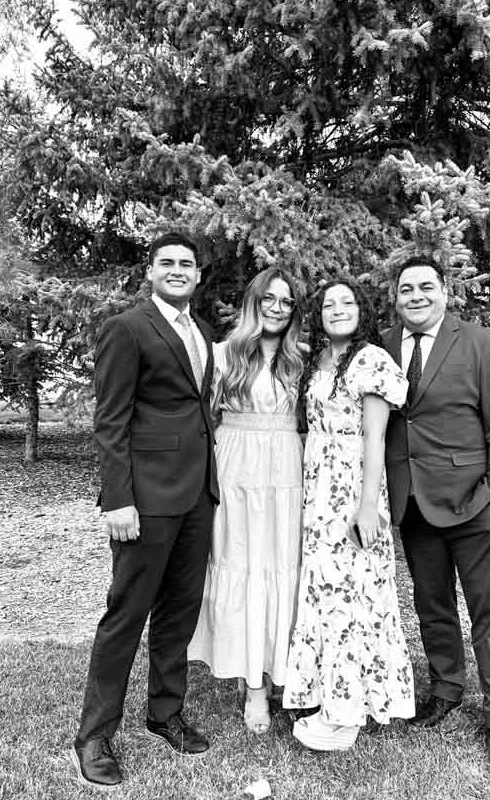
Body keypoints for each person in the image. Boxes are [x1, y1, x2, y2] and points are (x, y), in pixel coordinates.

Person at [71, 233, 219, 790]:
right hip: (146, 499)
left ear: (198, 275)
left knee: (179, 612)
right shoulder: (126, 328)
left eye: (187, 264)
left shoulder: (201, 332)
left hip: (198, 496)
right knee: (126, 613)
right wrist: (118, 499)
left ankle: (164, 712)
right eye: (167, 263)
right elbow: (110, 420)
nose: (178, 270)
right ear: (150, 271)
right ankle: (94, 735)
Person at [382, 259, 490, 775]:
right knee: (433, 605)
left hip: (474, 504)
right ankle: (445, 688)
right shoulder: (379, 346)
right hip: (413, 505)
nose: (415, 296)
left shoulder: (482, 344)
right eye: (406, 289)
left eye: (426, 287)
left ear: (445, 292)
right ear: (395, 298)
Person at [283, 277, 416, 751]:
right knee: (325, 593)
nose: (338, 309)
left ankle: (346, 716)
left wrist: (365, 507)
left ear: (362, 311)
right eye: (328, 304)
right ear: (318, 315)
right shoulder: (318, 361)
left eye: (348, 302)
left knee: (352, 596)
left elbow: (374, 440)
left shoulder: (371, 361)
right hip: (318, 492)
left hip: (353, 491)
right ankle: (327, 699)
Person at [188, 267, 305, 734]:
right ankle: (253, 685)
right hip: (237, 466)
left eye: (287, 302)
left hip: (285, 470)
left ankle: (277, 671)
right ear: (254, 302)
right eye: (269, 299)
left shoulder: (301, 360)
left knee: (281, 565)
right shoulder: (223, 356)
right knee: (242, 563)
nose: (278, 308)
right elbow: (197, 418)